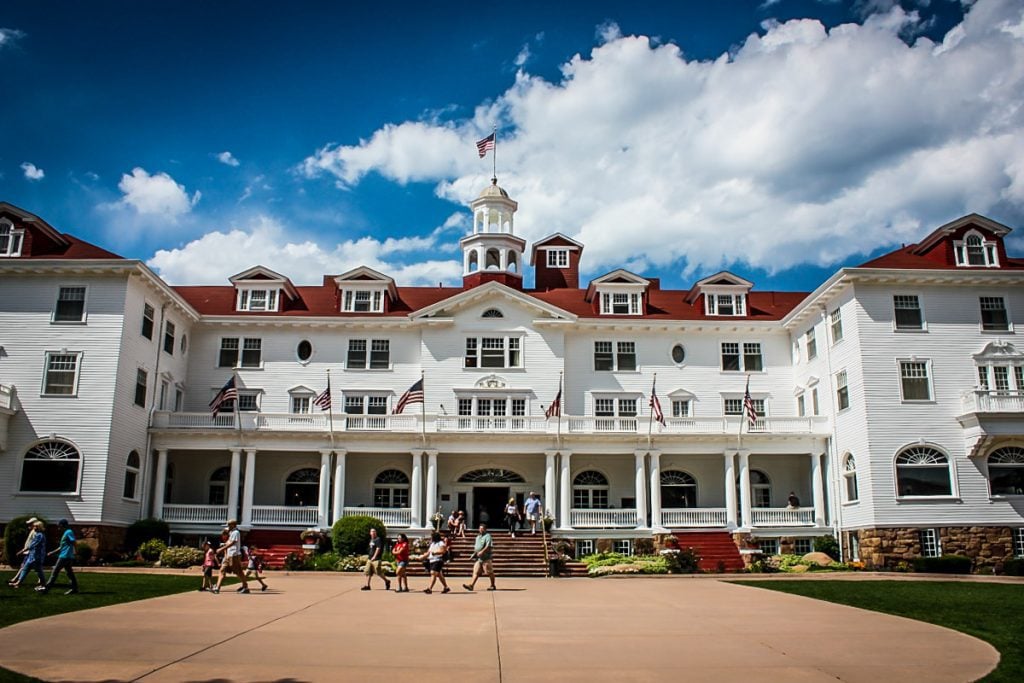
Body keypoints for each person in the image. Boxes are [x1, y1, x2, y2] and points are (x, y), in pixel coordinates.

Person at [42, 519, 79, 595]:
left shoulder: (68, 532)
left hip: (65, 556)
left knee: (55, 571)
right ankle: (74, 588)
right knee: (69, 573)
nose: (58, 527)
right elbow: (61, 547)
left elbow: (74, 542)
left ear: (62, 525)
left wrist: (76, 552)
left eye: (59, 526)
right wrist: (52, 552)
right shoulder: (66, 533)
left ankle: (47, 588)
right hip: (65, 555)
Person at [213, 519, 249, 594]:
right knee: (222, 570)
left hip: (234, 555)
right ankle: (217, 587)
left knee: (238, 572)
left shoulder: (236, 532)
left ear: (234, 525)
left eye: (229, 524)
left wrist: (221, 549)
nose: (228, 526)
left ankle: (245, 587)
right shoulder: (231, 532)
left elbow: (233, 542)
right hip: (228, 555)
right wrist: (224, 544)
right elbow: (229, 541)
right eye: (228, 524)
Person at [12, 520, 47, 590]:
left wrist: (22, 551)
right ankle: (18, 583)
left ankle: (43, 584)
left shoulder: (40, 535)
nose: (34, 527)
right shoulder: (37, 534)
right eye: (34, 526)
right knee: (25, 569)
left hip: (37, 557)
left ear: (39, 527)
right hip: (32, 556)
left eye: (36, 526)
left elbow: (32, 545)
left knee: (39, 571)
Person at [463, 523, 496, 592]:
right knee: (476, 572)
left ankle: (493, 585)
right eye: (479, 528)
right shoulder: (477, 537)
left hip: (486, 558)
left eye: (482, 529)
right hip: (478, 558)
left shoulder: (487, 536)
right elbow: (476, 548)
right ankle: (471, 585)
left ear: (485, 529)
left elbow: (488, 546)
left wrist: (482, 552)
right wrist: (473, 554)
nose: (480, 530)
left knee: (489, 572)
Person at [8, 517, 39, 588]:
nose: (29, 525)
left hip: (30, 553)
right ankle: (16, 580)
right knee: (25, 567)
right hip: (29, 552)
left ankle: (16, 581)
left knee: (28, 567)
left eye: (30, 524)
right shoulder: (33, 531)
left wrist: (23, 551)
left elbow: (34, 544)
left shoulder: (35, 533)